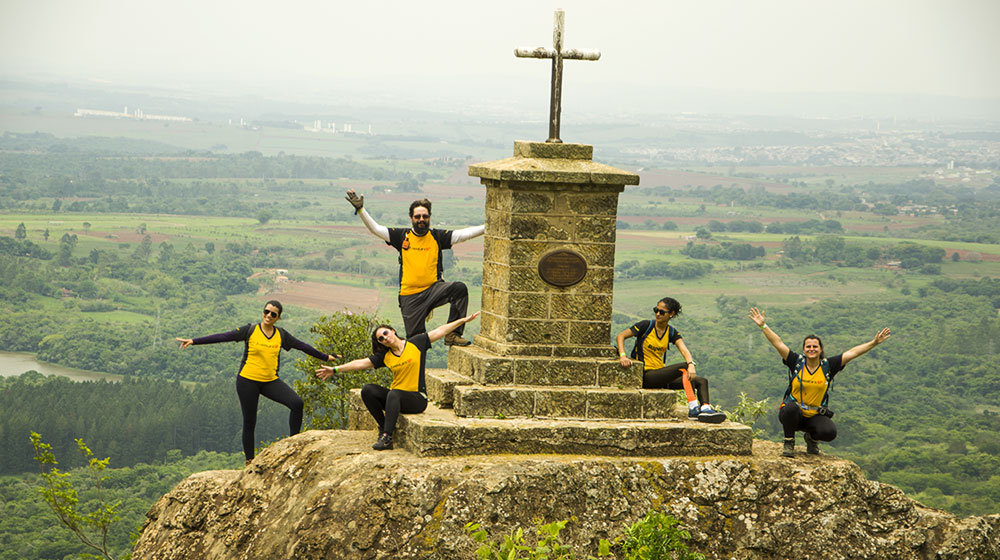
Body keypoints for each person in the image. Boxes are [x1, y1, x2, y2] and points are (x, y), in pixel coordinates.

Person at [176, 300, 337, 464]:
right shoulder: (250, 330)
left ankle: (293, 444)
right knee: (250, 421)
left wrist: (326, 357)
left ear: (278, 318)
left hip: (269, 381)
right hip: (247, 381)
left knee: (297, 403)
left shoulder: (281, 335)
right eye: (266, 311)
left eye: (273, 314)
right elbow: (224, 336)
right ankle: (249, 461)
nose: (268, 315)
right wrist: (194, 341)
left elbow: (302, 346)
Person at [316, 311, 481, 451]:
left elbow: (441, 330)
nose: (385, 338)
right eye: (381, 339)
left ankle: (387, 438)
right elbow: (360, 363)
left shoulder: (416, 343)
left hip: (417, 398)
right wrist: (335, 369)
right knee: (368, 390)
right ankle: (384, 427)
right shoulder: (385, 356)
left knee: (394, 394)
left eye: (385, 333)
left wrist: (463, 320)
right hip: (395, 398)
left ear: (393, 331)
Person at [346, 190, 484, 345]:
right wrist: (361, 210)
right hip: (410, 297)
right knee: (416, 343)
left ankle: (453, 335)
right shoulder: (402, 236)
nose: (421, 220)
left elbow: (464, 234)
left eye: (425, 216)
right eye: (417, 216)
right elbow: (376, 229)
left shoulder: (437, 237)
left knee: (459, 289)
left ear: (429, 218)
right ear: (411, 218)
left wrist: (487, 227)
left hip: (433, 290)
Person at [748, 307, 891, 457]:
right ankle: (789, 442)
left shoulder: (828, 366)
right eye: (808, 347)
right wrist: (763, 325)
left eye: (815, 346)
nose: (811, 349)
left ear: (820, 349)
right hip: (793, 415)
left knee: (829, 432)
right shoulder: (796, 362)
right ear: (804, 350)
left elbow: (853, 353)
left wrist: (874, 343)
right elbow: (778, 343)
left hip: (814, 415)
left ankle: (811, 439)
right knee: (790, 408)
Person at [616, 297, 725, 423]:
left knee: (701, 381)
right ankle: (693, 408)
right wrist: (623, 355)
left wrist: (691, 364)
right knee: (684, 366)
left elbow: (684, 349)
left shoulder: (671, 332)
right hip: (646, 375)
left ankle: (705, 409)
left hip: (661, 375)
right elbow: (621, 336)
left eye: (662, 312)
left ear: (671, 314)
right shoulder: (646, 326)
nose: (658, 314)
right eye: (656, 310)